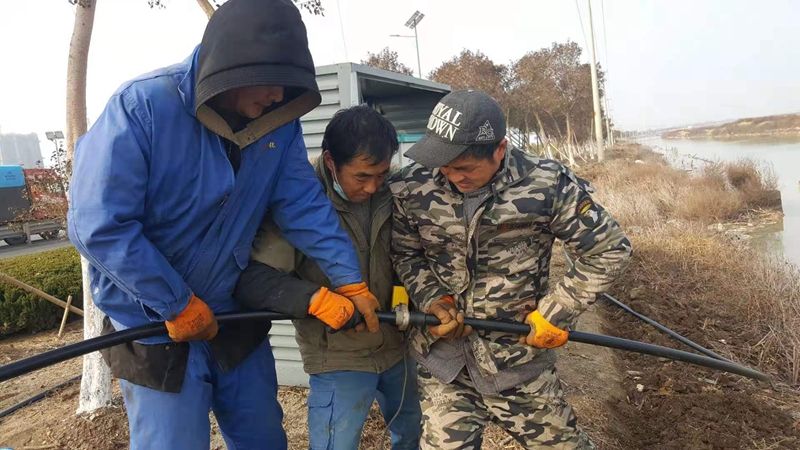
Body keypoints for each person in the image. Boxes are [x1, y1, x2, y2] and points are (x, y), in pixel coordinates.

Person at [67, 1, 379, 448]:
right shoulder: (143, 107)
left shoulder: (279, 125)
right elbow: (99, 225)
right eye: (269, 82)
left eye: (287, 85)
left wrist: (349, 279)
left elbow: (303, 205)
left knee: (263, 438)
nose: (278, 96)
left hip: (233, 314)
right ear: (227, 68)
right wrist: (174, 303)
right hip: (156, 323)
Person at [388, 89, 632, 449]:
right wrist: (433, 299)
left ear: (500, 149)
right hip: (444, 363)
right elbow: (405, 253)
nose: (453, 176)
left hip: (517, 362)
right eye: (445, 166)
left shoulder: (547, 184)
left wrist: (557, 311)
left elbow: (609, 249)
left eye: (466, 168)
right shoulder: (412, 186)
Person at [234, 105, 422, 450]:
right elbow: (256, 279)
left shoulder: (395, 190)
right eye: (362, 177)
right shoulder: (298, 199)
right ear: (331, 161)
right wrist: (315, 300)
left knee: (412, 436)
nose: (373, 187)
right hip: (338, 354)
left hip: (397, 346)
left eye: (381, 174)